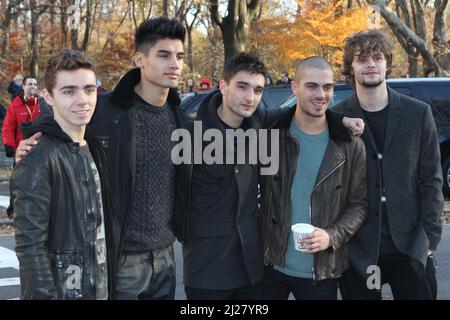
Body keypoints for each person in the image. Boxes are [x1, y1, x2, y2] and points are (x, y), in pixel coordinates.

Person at [15, 16, 186, 300]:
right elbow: (64, 119)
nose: (175, 64)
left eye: (180, 56)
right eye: (164, 55)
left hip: (166, 256)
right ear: (140, 60)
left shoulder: (179, 116)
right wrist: (33, 139)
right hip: (120, 259)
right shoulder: (105, 111)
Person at [174, 53, 366, 300]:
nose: (250, 96)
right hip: (207, 271)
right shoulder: (191, 136)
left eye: (257, 90)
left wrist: (340, 119)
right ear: (223, 86)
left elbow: (307, 111)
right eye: (242, 87)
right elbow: (175, 196)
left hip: (251, 271)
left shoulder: (262, 125)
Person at [334, 30, 443, 300]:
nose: (370, 64)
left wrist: (428, 239)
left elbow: (432, 180)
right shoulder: (336, 118)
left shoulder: (418, 113)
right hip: (358, 252)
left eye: (377, 57)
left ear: (387, 64)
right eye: (361, 59)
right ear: (351, 68)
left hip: (410, 247)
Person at [259, 57, 368, 300]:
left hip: (321, 272)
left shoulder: (350, 145)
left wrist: (332, 235)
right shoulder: (271, 136)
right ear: (294, 88)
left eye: (327, 87)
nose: (321, 94)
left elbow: (359, 204)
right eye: (311, 86)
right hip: (270, 265)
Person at [13, 49, 111, 299]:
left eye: (89, 90)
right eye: (69, 91)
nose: (83, 99)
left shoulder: (98, 149)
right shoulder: (37, 157)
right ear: (48, 96)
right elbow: (30, 247)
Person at [2, 75, 41, 219]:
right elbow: (8, 126)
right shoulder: (15, 105)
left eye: (35, 84)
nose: (33, 87)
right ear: (23, 87)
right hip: (22, 150)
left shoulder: (42, 104)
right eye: (30, 84)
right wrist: (9, 145)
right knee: (17, 179)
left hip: (41, 149)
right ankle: (13, 207)